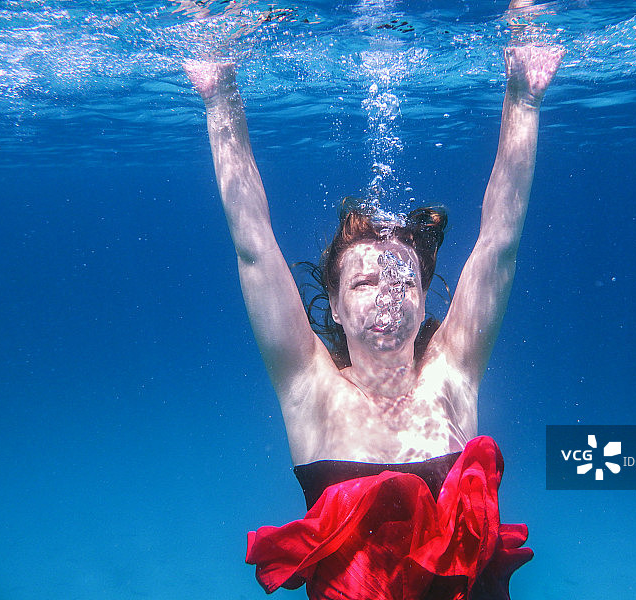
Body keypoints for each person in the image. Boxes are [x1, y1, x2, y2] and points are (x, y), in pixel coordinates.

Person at [184, 7, 563, 599]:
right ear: (331, 305)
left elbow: (501, 242)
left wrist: (524, 97)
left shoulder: (453, 372)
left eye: (404, 282)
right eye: (363, 283)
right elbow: (253, 245)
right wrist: (219, 96)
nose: (387, 294)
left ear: (422, 300)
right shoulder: (311, 388)